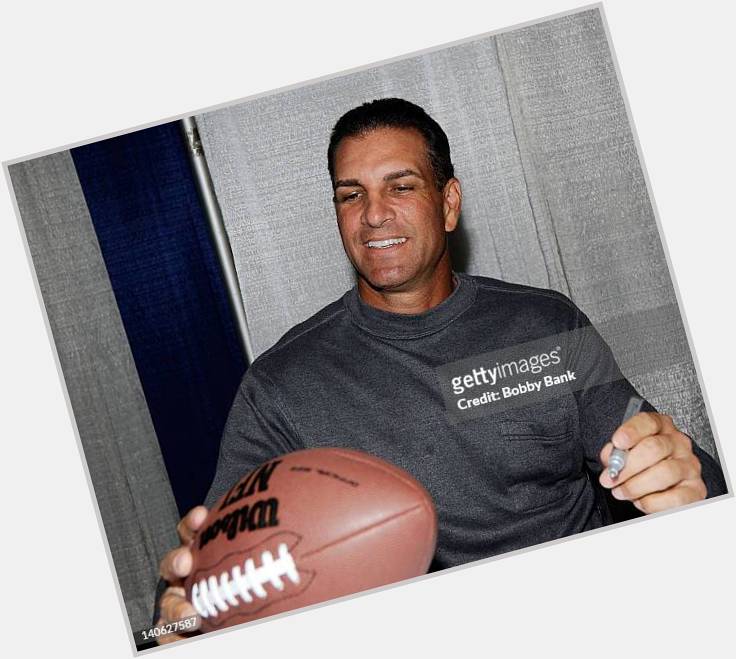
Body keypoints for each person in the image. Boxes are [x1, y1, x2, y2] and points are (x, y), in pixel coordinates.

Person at [155, 98, 726, 643]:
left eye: (401, 186)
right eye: (351, 195)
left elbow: (686, 476)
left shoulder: (545, 325)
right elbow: (203, 577)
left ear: (449, 203)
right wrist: (177, 620)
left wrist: (685, 478)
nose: (373, 214)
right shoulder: (280, 386)